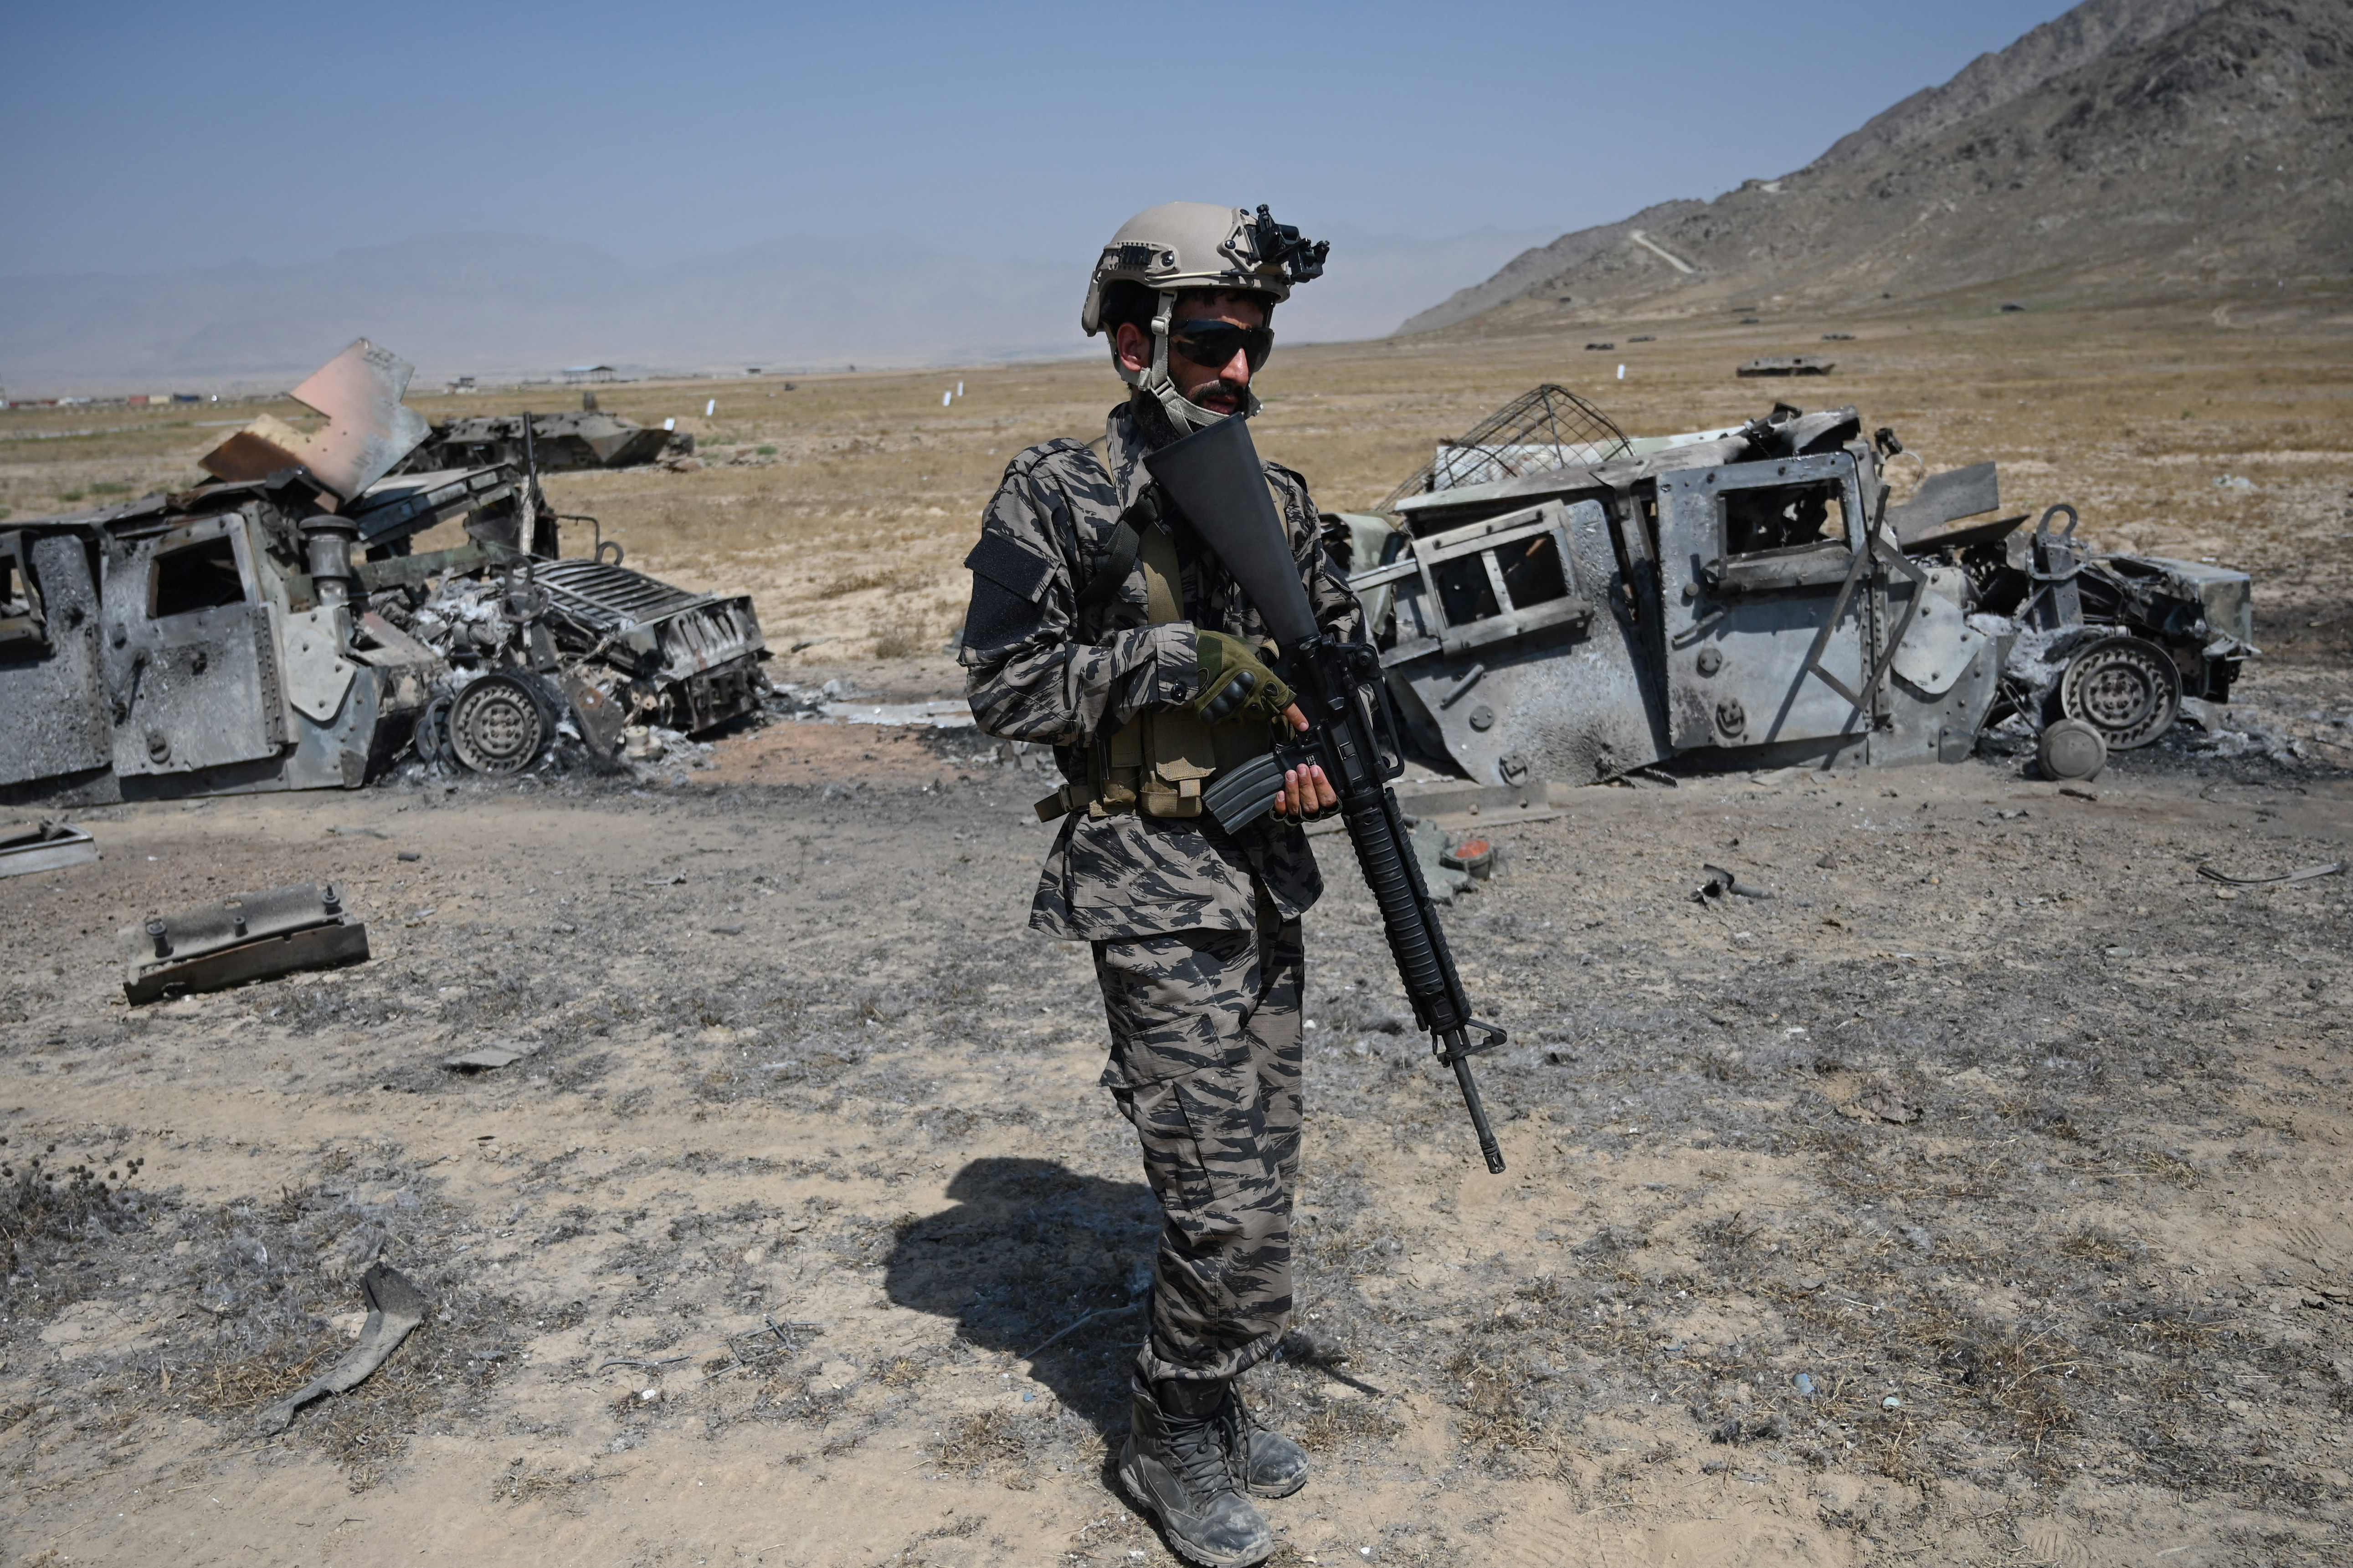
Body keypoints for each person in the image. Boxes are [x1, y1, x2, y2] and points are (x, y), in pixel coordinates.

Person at [957, 202, 1356, 1568]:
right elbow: (1002, 687)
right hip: (1142, 879)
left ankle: (1215, 1389)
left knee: (1266, 1173)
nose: (1237, 371)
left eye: (1253, 347)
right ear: (1135, 342)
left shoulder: (1282, 501)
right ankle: (1168, 1428)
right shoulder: (1056, 492)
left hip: (1259, 871)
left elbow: (1327, 689)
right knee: (1221, 1197)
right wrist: (1163, 665)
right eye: (1208, 343)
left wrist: (1311, 756)